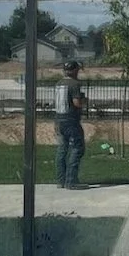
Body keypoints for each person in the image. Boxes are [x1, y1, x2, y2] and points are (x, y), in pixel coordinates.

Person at [54, 59, 87, 189]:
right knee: (77, 148)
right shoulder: (74, 84)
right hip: (71, 120)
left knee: (62, 149)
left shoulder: (59, 83)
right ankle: (71, 181)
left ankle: (61, 180)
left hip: (59, 119)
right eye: (77, 69)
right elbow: (77, 103)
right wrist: (84, 100)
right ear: (74, 70)